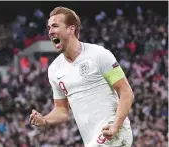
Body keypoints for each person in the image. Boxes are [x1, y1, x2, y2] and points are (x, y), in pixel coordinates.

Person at [29, 6, 134, 147]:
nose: (50, 31)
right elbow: (62, 110)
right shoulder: (54, 70)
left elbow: (126, 92)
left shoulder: (98, 55)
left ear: (71, 29)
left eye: (55, 26)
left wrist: (115, 125)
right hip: (92, 140)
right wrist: (45, 120)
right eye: (48, 28)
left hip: (114, 131)